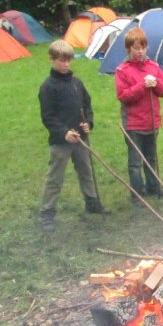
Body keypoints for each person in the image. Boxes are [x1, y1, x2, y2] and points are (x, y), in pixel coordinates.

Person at [38, 40, 107, 233]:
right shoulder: (48, 87)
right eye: (61, 60)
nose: (66, 64)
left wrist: (88, 123)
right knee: (55, 177)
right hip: (61, 142)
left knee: (86, 171)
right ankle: (47, 212)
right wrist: (63, 132)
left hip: (80, 139)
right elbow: (48, 117)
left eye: (68, 60)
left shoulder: (77, 83)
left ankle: (92, 202)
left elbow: (87, 105)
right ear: (52, 60)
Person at [115, 27, 163, 204]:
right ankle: (137, 193)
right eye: (136, 48)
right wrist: (142, 86)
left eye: (143, 47)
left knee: (151, 158)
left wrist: (156, 83)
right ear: (128, 48)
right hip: (133, 124)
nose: (140, 51)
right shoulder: (122, 70)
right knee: (135, 161)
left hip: (152, 122)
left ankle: (153, 186)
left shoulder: (154, 67)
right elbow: (123, 96)